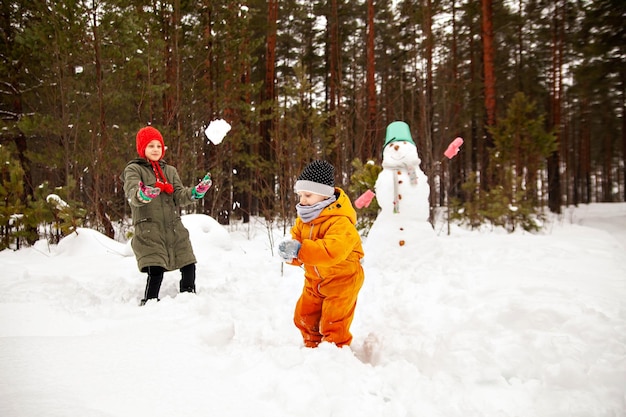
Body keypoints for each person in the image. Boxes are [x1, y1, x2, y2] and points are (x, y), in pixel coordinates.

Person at [278, 160, 365, 348]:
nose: (302, 200)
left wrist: (301, 251)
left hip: (342, 279)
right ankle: (313, 346)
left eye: (308, 195)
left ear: (325, 195)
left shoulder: (341, 222)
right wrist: (290, 254)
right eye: (300, 195)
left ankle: (335, 352)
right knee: (304, 316)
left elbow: (331, 251)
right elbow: (297, 245)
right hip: (314, 280)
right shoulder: (304, 220)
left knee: (334, 321)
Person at [122, 126, 212, 306]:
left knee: (188, 262)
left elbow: (179, 195)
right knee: (155, 267)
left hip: (173, 227)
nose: (155, 149)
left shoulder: (169, 171)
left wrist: (195, 192)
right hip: (149, 228)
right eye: (150, 146)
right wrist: (142, 194)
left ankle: (188, 296)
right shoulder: (134, 169)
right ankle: (150, 301)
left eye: (158, 146)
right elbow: (131, 191)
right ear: (142, 149)